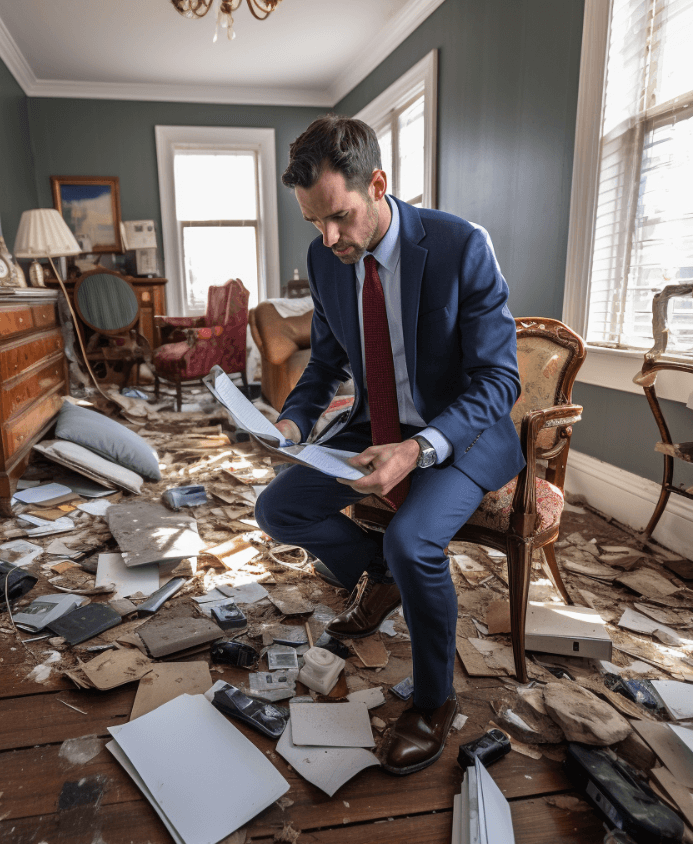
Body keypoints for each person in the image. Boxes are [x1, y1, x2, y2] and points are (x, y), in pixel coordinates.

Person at [255, 115, 524, 775]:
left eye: (340, 217)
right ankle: (379, 573)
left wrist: (418, 447)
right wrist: (290, 424)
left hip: (456, 435)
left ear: (377, 183)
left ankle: (431, 701)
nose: (329, 238)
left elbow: (500, 380)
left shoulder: (461, 246)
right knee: (276, 510)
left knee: (414, 541)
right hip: (371, 425)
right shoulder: (325, 259)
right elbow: (322, 367)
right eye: (313, 223)